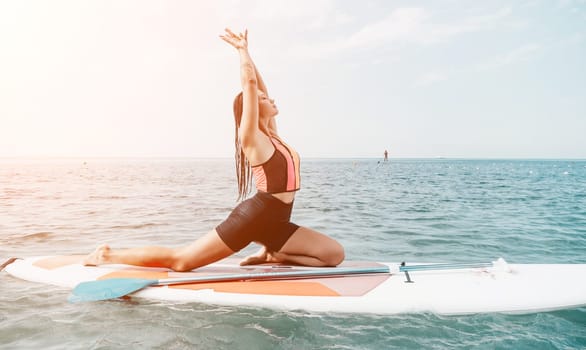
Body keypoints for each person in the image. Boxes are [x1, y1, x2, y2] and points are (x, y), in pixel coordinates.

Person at [84, 28, 345, 272]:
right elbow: (251, 86)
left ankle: (272, 254)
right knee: (182, 261)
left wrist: (250, 55)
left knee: (332, 255)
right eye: (263, 100)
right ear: (252, 108)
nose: (270, 98)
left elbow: (259, 86)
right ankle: (107, 255)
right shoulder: (252, 137)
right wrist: (241, 51)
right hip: (254, 218)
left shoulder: (273, 134)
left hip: (278, 221)